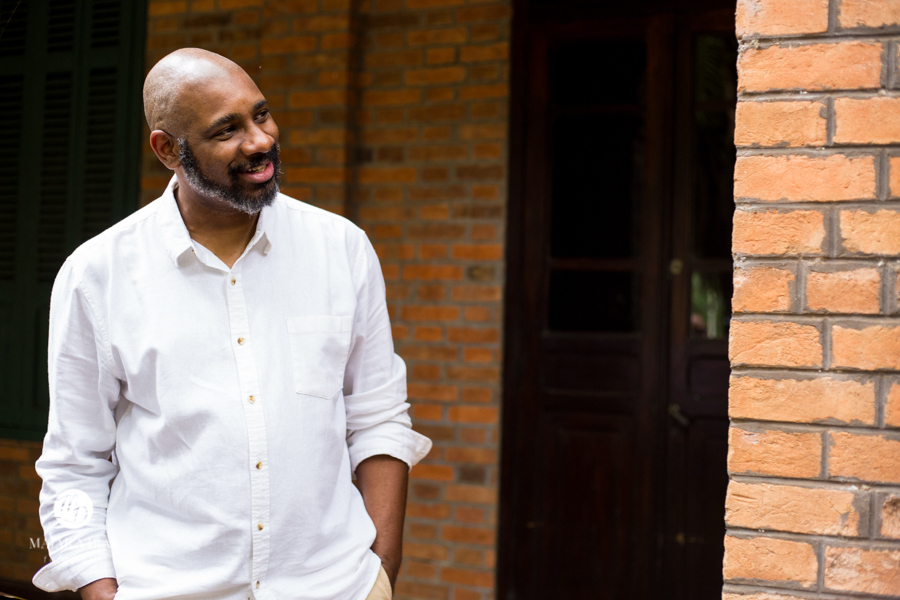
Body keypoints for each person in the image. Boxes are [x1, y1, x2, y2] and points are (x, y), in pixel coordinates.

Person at [32, 48, 431, 600]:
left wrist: (382, 571)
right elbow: (74, 462)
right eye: (227, 129)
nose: (260, 141)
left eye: (261, 114)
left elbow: (378, 417)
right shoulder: (96, 275)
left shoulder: (341, 248)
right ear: (167, 150)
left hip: (336, 587)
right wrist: (94, 585)